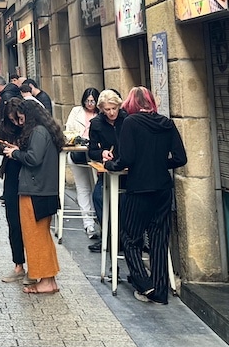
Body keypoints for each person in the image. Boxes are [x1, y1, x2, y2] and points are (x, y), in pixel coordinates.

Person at [104, 87, 187, 304]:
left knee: (130, 238)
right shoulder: (167, 123)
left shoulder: (131, 123)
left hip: (139, 188)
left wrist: (110, 164)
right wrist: (159, 163)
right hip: (162, 188)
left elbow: (127, 158)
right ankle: (160, 291)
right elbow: (180, 158)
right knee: (159, 239)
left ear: (130, 105)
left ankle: (143, 283)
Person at [4, 96, 64, 295]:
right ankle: (49, 278)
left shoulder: (38, 132)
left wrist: (15, 154)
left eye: (22, 119)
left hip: (35, 190)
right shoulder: (47, 130)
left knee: (35, 237)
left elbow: (33, 158)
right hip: (44, 190)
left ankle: (45, 280)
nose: (21, 123)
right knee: (42, 236)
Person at [0, 96, 28, 283]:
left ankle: (35, 264)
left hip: (28, 174)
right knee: (13, 221)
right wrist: (5, 148)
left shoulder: (29, 127)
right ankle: (18, 264)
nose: (15, 123)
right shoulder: (5, 126)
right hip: (12, 174)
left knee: (29, 221)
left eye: (18, 119)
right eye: (12, 120)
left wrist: (19, 149)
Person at [87, 88, 127, 251]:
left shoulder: (127, 119)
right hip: (108, 168)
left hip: (127, 166)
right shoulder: (96, 124)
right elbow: (91, 151)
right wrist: (102, 153)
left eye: (114, 108)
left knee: (125, 201)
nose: (111, 113)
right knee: (98, 197)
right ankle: (110, 235)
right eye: (107, 109)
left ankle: (125, 237)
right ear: (102, 110)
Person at [64, 87, 101, 239]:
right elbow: (69, 131)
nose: (90, 103)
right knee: (83, 187)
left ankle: (99, 219)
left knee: (97, 188)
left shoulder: (102, 113)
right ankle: (88, 222)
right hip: (78, 154)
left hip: (95, 156)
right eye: (88, 100)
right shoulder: (76, 112)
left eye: (93, 101)